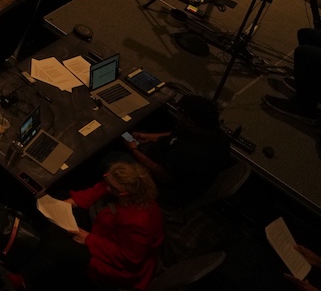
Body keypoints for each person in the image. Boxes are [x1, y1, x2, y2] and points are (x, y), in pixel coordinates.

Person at [23, 162, 164, 290]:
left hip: (116, 262)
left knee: (54, 247)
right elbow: (97, 191)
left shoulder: (139, 222)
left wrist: (89, 239)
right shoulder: (118, 186)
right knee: (59, 198)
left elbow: (128, 258)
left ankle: (24, 280)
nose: (107, 187)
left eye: (112, 187)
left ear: (124, 194)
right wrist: (65, 205)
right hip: (103, 228)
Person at [120, 94, 231, 207]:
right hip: (169, 162)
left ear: (191, 122)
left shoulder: (190, 153)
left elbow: (160, 174)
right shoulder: (213, 132)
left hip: (165, 191)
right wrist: (148, 136)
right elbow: (176, 135)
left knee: (115, 158)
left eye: (180, 113)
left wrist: (133, 149)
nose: (178, 115)